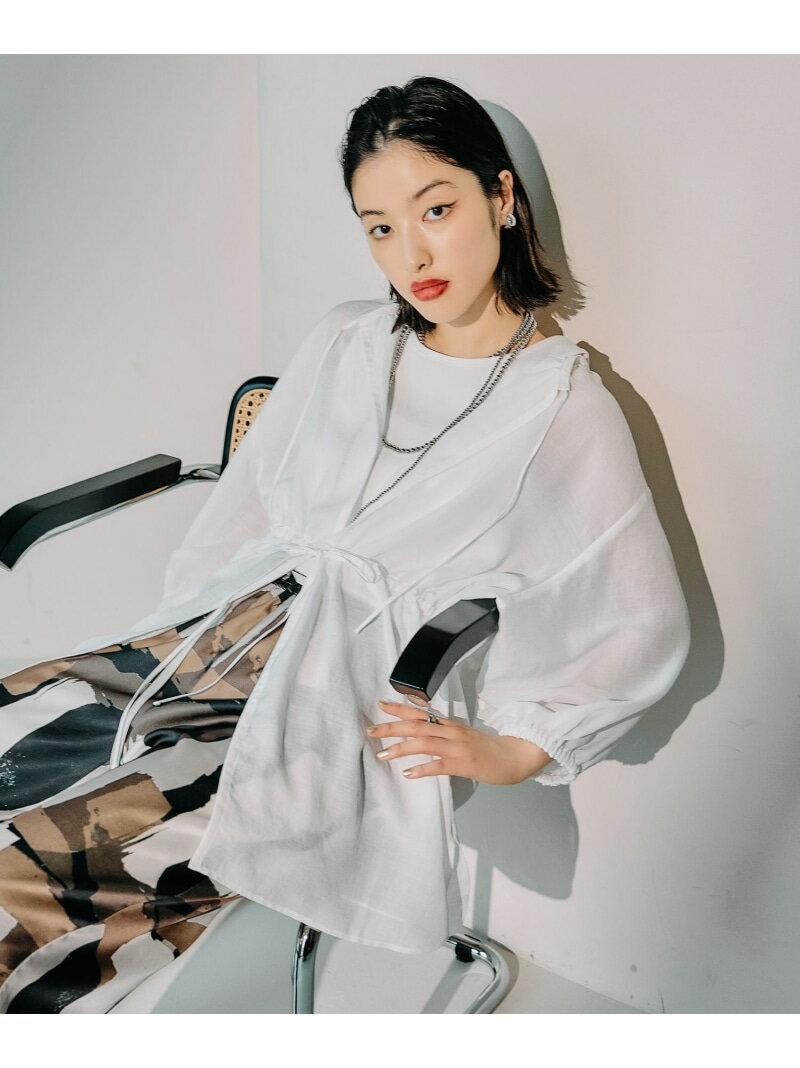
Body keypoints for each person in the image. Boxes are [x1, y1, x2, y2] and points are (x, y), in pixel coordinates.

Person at [0, 75, 690, 1012]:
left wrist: (516, 750)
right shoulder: (346, 342)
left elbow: (636, 612)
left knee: (36, 875)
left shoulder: (564, 406)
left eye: (436, 210)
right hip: (213, 648)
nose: (412, 255)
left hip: (340, 709)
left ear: (501, 196)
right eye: (379, 228)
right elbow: (247, 512)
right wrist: (182, 633)